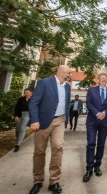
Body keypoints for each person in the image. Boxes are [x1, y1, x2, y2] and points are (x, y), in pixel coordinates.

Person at [28, 65, 71, 194]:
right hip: (42, 122)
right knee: (39, 151)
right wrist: (35, 120)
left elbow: (66, 104)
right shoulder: (45, 83)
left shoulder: (67, 87)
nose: (70, 75)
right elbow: (34, 102)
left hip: (59, 121)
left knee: (58, 147)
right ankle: (38, 181)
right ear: (62, 72)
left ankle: (54, 181)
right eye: (69, 72)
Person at [83, 73, 107, 182]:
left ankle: (97, 165)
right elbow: (89, 104)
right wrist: (97, 113)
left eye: (105, 79)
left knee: (101, 144)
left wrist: (105, 113)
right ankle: (89, 169)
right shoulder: (91, 90)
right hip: (92, 121)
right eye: (102, 79)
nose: (104, 80)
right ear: (98, 80)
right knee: (91, 143)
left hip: (105, 121)